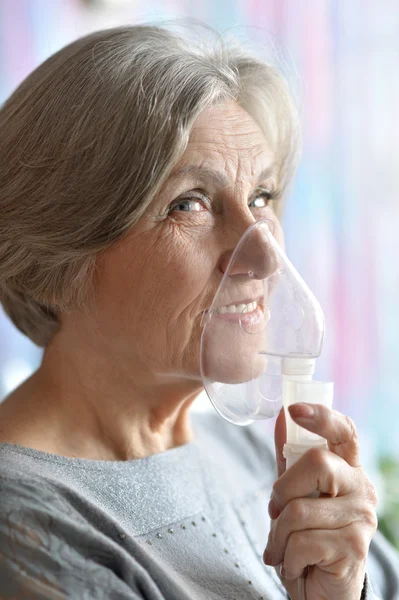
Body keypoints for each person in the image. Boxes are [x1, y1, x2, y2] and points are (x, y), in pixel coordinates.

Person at [0, 24, 397, 600]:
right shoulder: (25, 527)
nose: (265, 253)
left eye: (261, 197)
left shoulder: (249, 451)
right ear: (57, 256)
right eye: (188, 204)